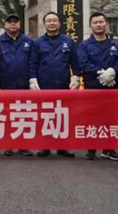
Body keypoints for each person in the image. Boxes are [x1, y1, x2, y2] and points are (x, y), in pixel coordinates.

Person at [29, 11, 80, 158]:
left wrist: (76, 77)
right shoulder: (37, 43)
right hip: (44, 84)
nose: (52, 23)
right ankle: (45, 146)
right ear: (44, 24)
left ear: (59, 23)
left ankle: (63, 147)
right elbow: (33, 62)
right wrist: (32, 79)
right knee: (45, 116)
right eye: (49, 21)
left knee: (63, 116)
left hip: (63, 84)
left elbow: (75, 61)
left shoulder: (68, 41)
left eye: (54, 20)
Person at [77, 12, 118, 161]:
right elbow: (83, 64)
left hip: (111, 87)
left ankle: (108, 149)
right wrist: (101, 73)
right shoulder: (85, 45)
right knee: (92, 118)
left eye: (101, 22)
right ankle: (91, 149)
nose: (98, 25)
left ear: (106, 24)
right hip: (92, 87)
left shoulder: (114, 45)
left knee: (110, 119)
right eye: (95, 23)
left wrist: (112, 72)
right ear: (90, 26)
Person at [0, 11, 35, 157]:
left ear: (19, 24)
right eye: (10, 22)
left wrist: (32, 79)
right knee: (7, 115)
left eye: (15, 22)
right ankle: (8, 145)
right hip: (6, 84)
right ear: (5, 24)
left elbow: (32, 62)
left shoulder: (28, 41)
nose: (13, 24)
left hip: (24, 85)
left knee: (24, 115)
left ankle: (23, 145)